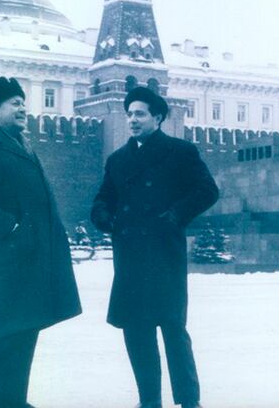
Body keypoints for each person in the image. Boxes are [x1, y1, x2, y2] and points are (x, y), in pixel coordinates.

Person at [0, 77, 82, 408]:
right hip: (6, 265)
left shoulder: (23, 149)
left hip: (28, 263)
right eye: (14, 102)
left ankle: (12, 401)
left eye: (22, 101)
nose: (23, 107)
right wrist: (13, 229)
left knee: (21, 336)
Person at [91, 87, 219, 408]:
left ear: (157, 118)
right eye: (130, 113)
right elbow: (104, 198)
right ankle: (149, 400)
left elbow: (207, 191)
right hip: (130, 254)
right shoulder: (118, 160)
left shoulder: (180, 152)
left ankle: (189, 402)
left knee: (173, 329)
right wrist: (105, 216)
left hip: (164, 253)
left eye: (140, 114)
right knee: (136, 330)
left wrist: (174, 216)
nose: (133, 119)